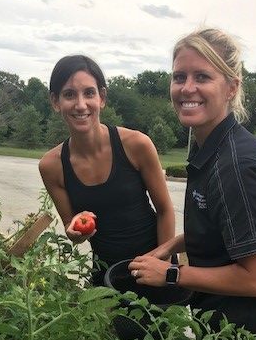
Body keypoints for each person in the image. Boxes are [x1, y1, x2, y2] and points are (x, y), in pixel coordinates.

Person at [128, 28, 256, 340]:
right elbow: (222, 229)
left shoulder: (237, 166)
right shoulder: (211, 148)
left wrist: (172, 275)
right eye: (179, 76)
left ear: (231, 87)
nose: (187, 88)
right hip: (227, 338)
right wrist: (170, 246)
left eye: (202, 76)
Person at [39, 54, 176, 285]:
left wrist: (164, 266)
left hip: (154, 269)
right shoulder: (51, 166)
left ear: (101, 97)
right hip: (105, 277)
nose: (80, 104)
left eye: (89, 93)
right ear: (55, 101)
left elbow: (165, 210)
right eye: (69, 94)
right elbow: (73, 231)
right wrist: (75, 231)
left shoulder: (136, 145)